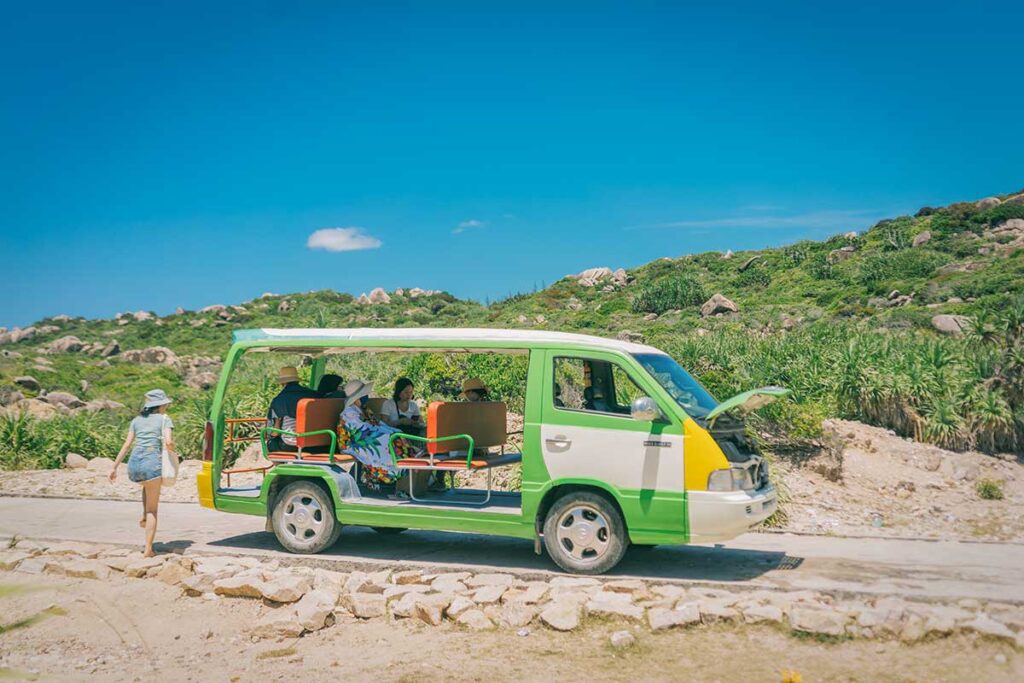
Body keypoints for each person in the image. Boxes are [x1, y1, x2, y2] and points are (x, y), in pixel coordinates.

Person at [109, 389, 174, 558]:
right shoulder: (165, 420)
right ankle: (148, 550)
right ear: (161, 405)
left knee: (146, 486)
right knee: (154, 510)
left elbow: (126, 444)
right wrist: (173, 452)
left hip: (134, 463)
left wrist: (114, 467)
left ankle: (144, 514)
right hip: (151, 463)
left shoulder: (136, 420)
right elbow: (169, 442)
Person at [339, 380, 407, 491]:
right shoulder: (349, 413)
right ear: (357, 398)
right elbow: (362, 431)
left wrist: (392, 430)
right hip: (353, 442)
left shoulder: (364, 409)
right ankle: (389, 473)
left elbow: (377, 423)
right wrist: (386, 434)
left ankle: (401, 467)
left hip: (365, 437)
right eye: (363, 395)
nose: (366, 397)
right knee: (386, 442)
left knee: (395, 436)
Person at [266, 366, 319, 452]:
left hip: (292, 444)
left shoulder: (279, 400)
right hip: (317, 442)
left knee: (271, 443)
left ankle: (279, 465)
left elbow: (275, 432)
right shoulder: (314, 395)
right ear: (297, 380)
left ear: (282, 383)